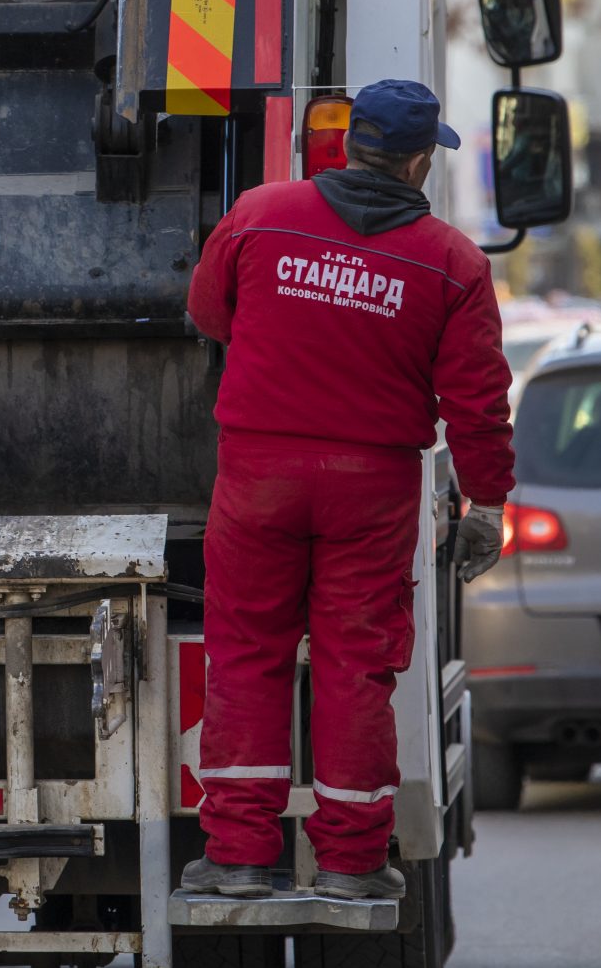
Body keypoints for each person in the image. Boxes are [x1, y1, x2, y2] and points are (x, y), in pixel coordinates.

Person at [179, 79, 515, 902]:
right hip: (373, 488)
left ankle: (240, 857)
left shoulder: (261, 214)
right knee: (354, 666)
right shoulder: (451, 262)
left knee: (247, 653)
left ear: (348, 142)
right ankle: (351, 864)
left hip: (260, 475)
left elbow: (208, 313)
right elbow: (475, 401)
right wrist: (489, 501)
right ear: (416, 161)